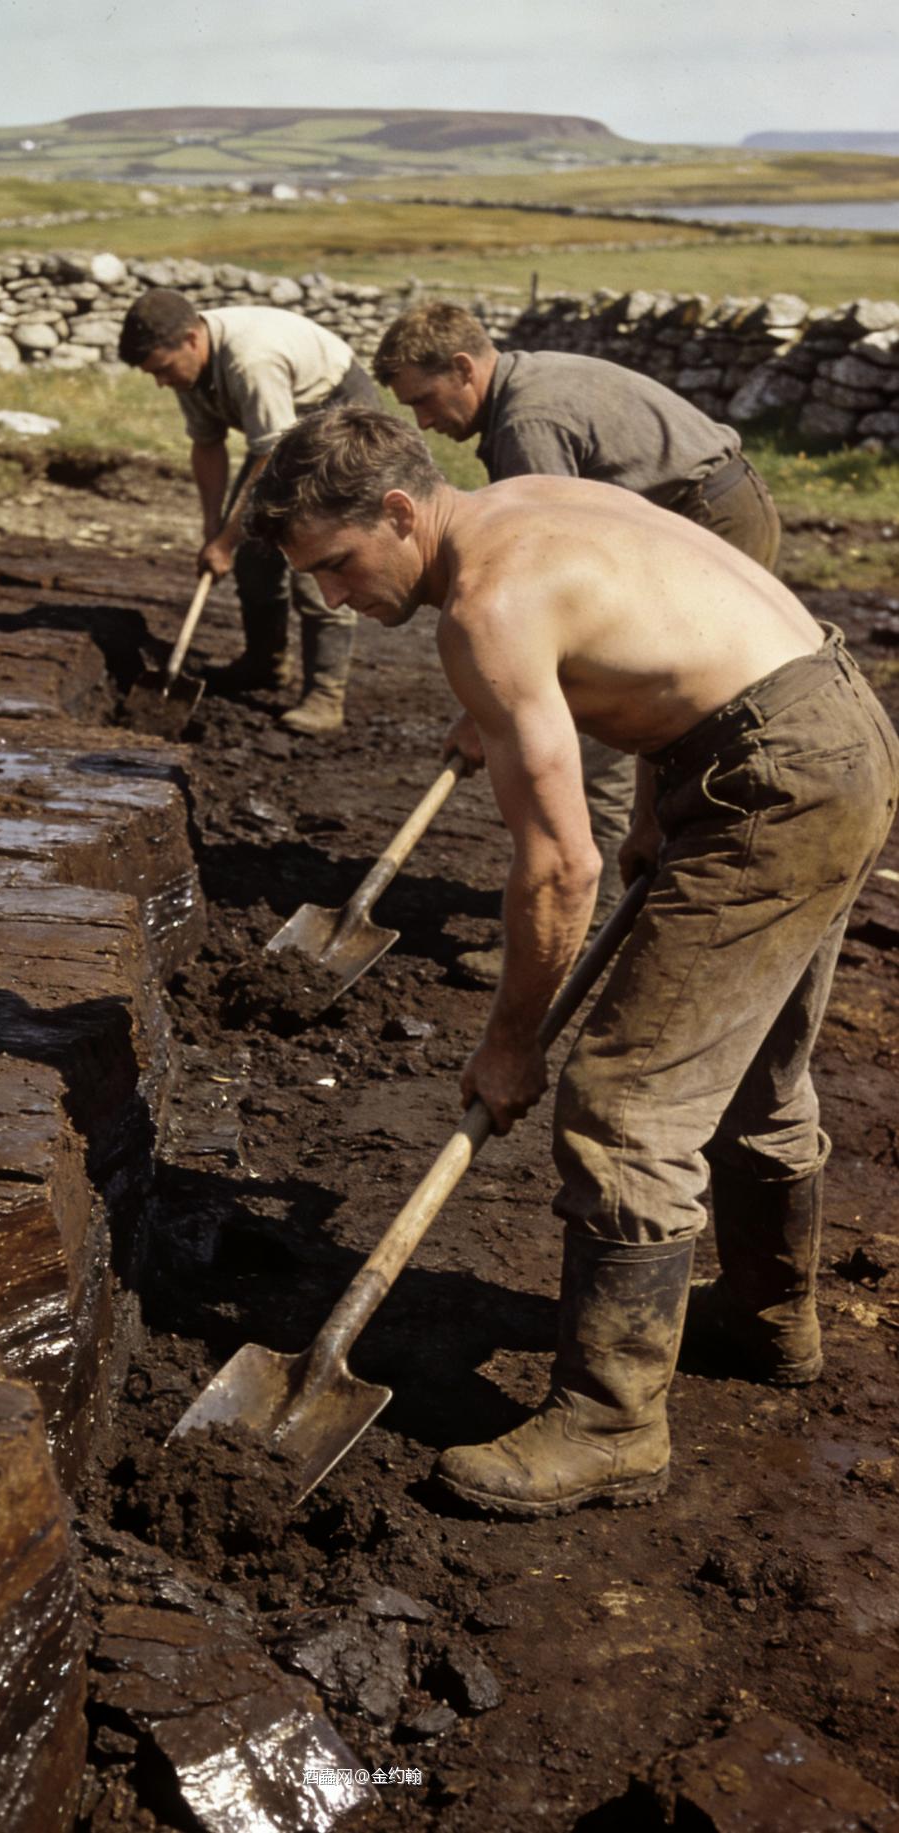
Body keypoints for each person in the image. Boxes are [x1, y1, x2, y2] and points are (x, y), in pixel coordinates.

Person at [246, 405, 898, 1520]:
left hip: (769, 786)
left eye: (340, 566)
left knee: (625, 1102)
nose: (333, 599)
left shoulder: (487, 610)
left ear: (401, 511)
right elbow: (667, 646)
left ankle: (610, 1422)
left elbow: (557, 871)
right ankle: (770, 1320)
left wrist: (508, 1043)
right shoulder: (531, 506)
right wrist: (660, 799)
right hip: (832, 731)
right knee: (752, 1073)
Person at [374, 303, 783, 975]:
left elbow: (536, 574)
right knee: (621, 708)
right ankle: (636, 882)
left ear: (462, 368)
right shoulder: (524, 388)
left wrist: (493, 704)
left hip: (709, 516)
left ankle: (581, 925)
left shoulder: (528, 422)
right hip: (693, 513)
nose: (423, 421)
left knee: (597, 719)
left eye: (423, 399)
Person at [118, 289, 379, 733]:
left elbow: (273, 454)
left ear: (191, 340)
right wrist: (213, 530)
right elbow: (207, 445)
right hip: (281, 436)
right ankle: (265, 662)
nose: (161, 382)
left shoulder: (249, 360)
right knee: (251, 545)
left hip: (338, 417)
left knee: (315, 552)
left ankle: (324, 695)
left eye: (162, 369)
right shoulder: (190, 371)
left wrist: (225, 540)